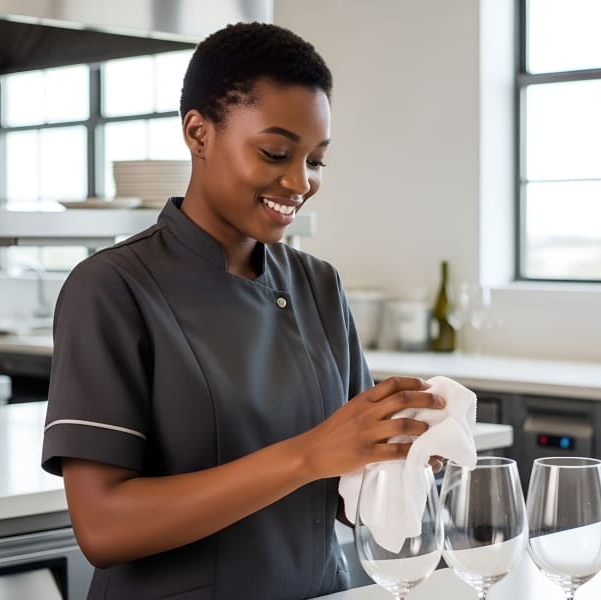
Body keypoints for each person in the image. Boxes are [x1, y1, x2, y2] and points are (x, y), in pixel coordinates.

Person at [41, 22, 444, 600]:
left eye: (317, 160)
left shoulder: (318, 285)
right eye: (276, 152)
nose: (300, 181)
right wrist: (308, 455)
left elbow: (347, 496)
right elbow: (104, 528)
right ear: (198, 132)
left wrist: (401, 462)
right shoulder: (111, 288)